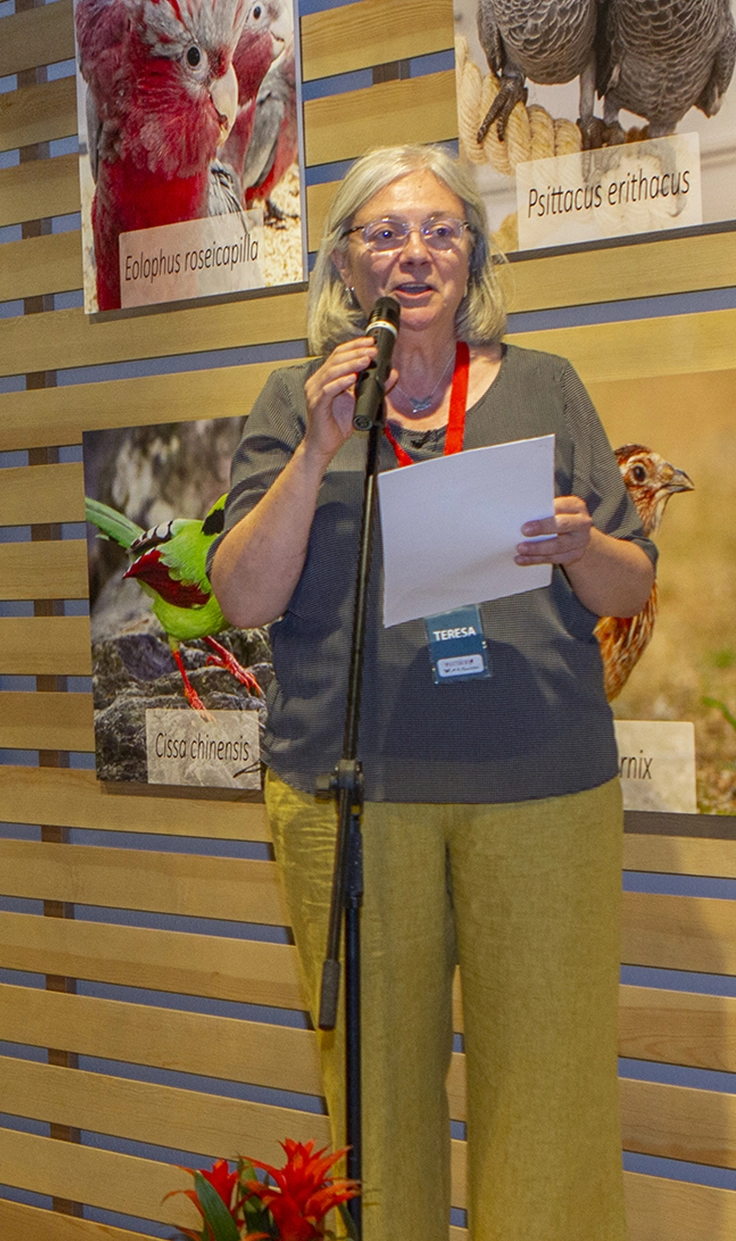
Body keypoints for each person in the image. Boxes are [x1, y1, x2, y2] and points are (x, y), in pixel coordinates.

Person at [208, 145, 652, 1240]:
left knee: (546, 1097)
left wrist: (578, 539)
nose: (412, 253)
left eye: (438, 230)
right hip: (352, 794)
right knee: (370, 1105)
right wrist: (313, 453)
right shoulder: (292, 396)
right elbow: (239, 594)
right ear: (345, 262)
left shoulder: (543, 384)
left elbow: (630, 577)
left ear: (471, 254)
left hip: (539, 783)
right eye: (384, 232)